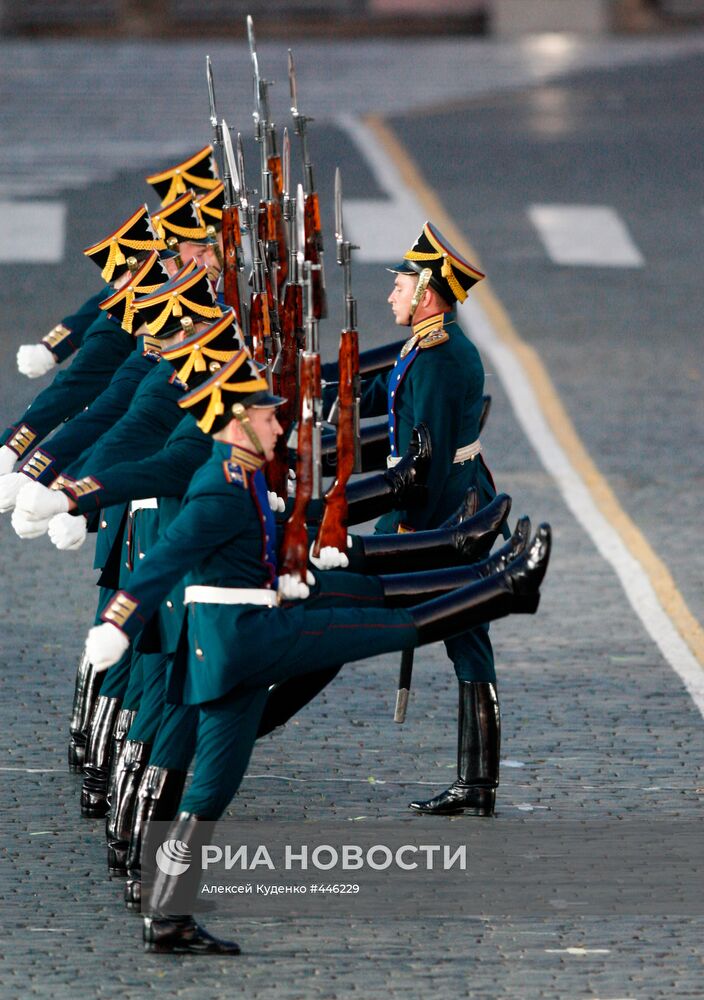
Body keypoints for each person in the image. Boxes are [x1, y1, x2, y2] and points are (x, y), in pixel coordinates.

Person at [83, 349, 551, 954]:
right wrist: (119, 622)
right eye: (266, 415)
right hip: (249, 639)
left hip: (241, 644)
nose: (278, 424)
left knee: (211, 791)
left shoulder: (241, 473)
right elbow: (166, 557)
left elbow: (257, 545)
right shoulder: (219, 487)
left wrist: (293, 567)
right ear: (236, 422)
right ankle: (503, 589)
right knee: (386, 626)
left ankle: (166, 912)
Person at [340, 221, 507, 817]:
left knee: (452, 629)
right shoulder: (424, 345)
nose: (391, 295)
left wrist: (410, 532)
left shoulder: (439, 357)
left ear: (427, 295)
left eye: (400, 286)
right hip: (439, 508)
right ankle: (478, 782)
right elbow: (388, 401)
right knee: (467, 636)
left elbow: (427, 464)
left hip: (439, 513)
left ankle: (478, 782)